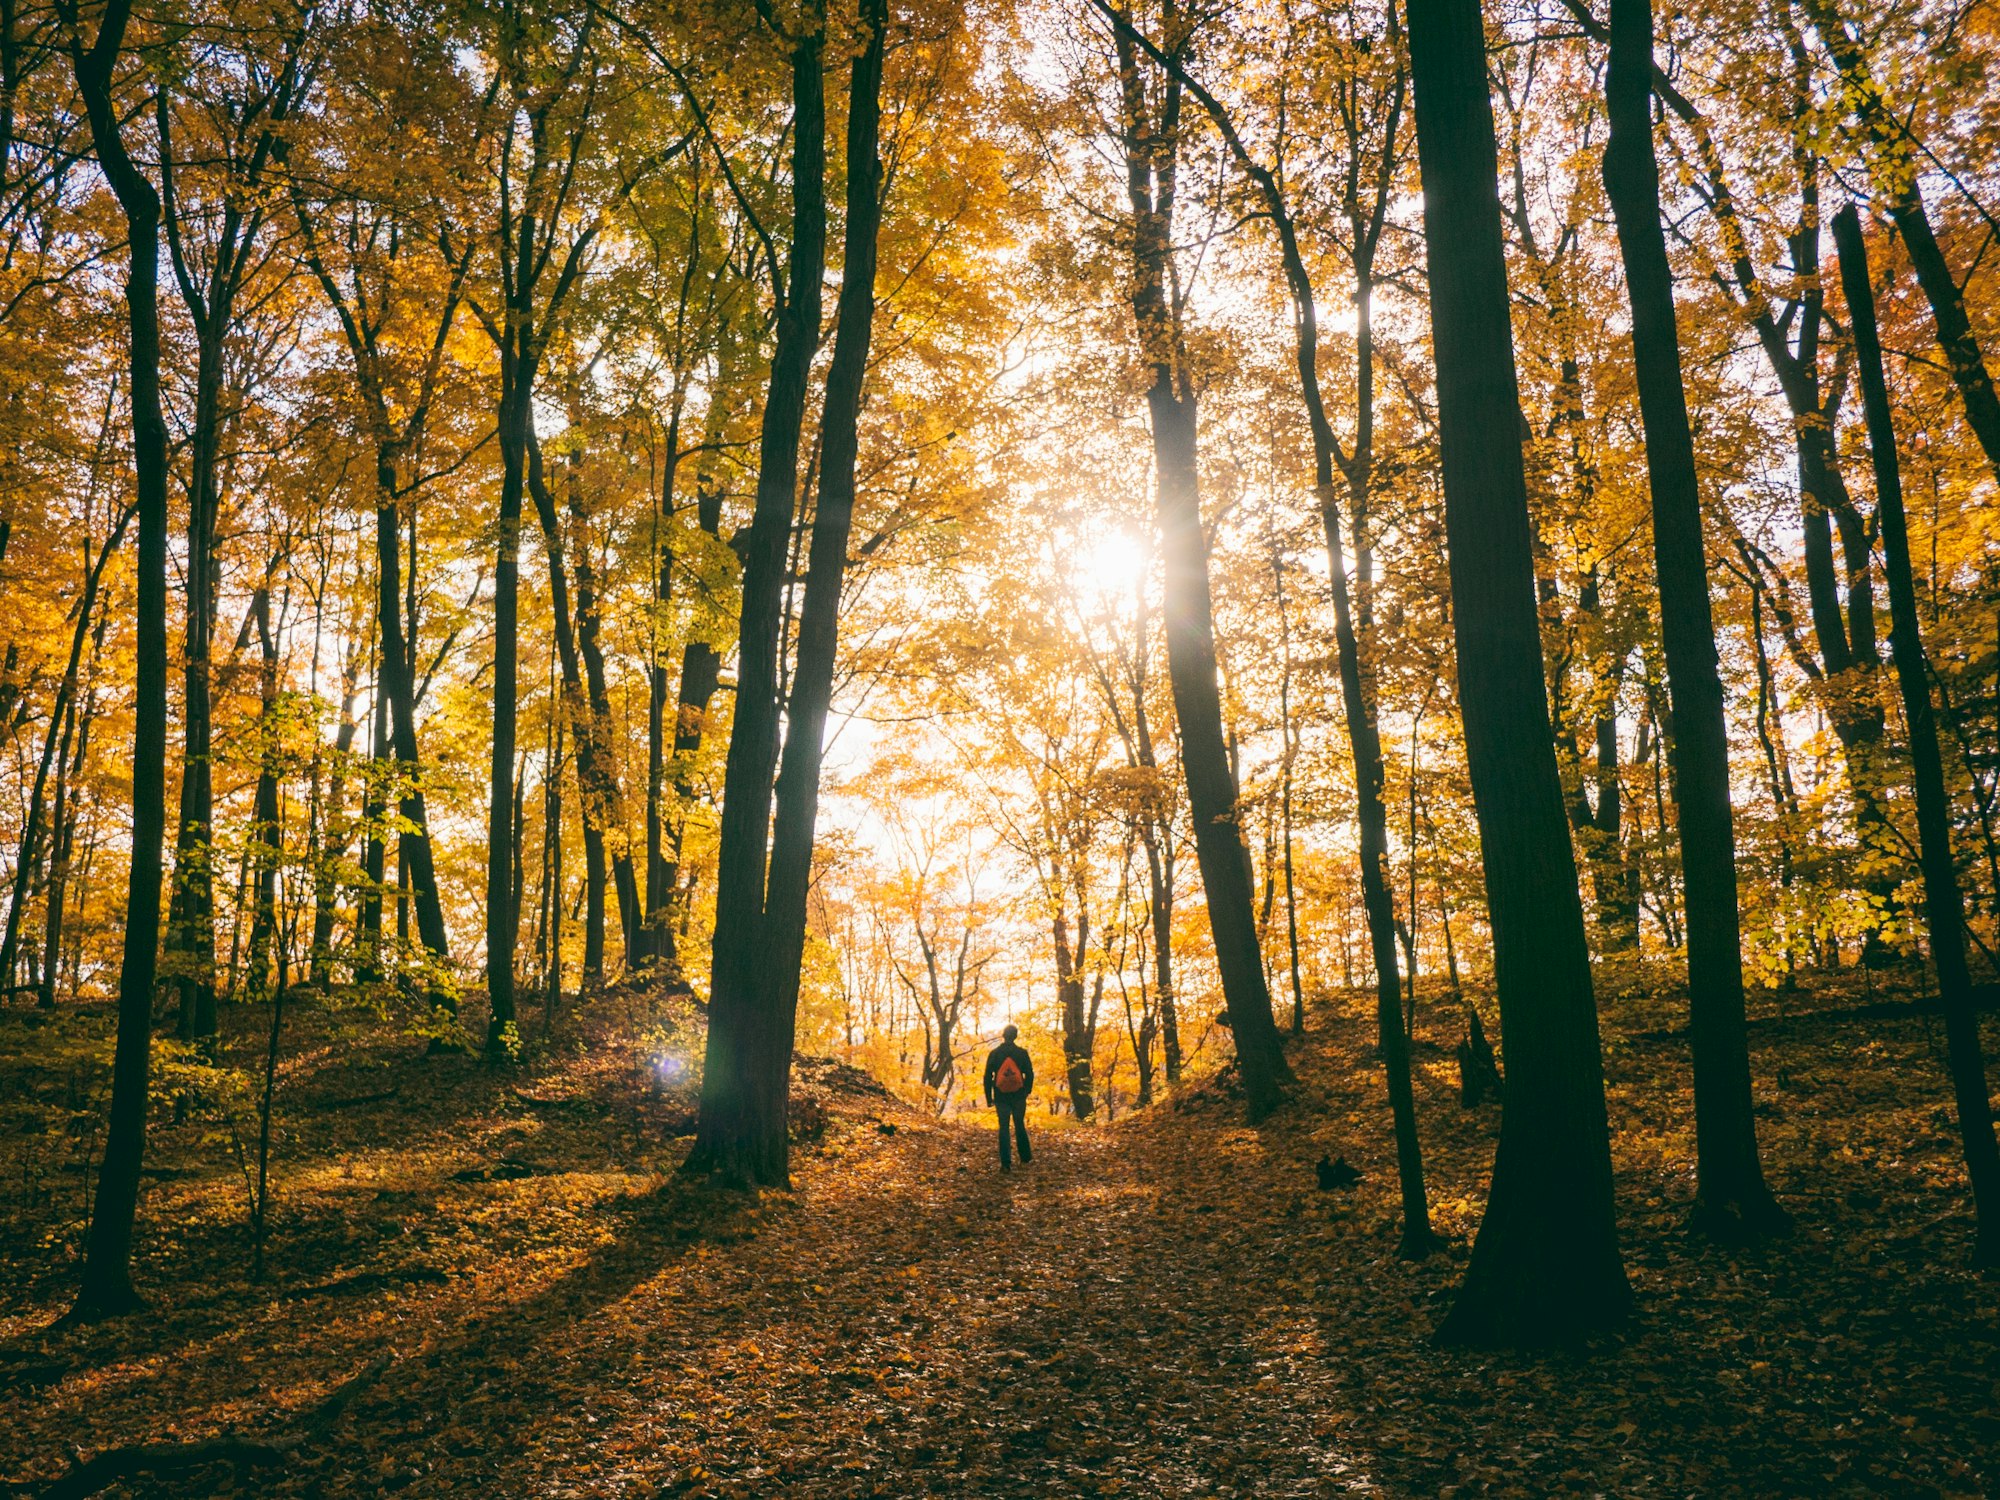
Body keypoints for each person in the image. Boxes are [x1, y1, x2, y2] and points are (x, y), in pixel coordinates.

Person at [982, 1024, 1035, 1172]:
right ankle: (1025, 1158)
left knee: (1004, 1128)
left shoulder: (995, 1053)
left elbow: (987, 1076)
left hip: (1001, 1096)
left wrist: (989, 1097)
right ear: (1016, 1036)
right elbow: (1029, 1074)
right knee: (1019, 1124)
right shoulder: (1022, 1053)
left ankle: (1006, 1163)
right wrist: (1026, 1091)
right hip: (1019, 1095)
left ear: (1003, 1036)